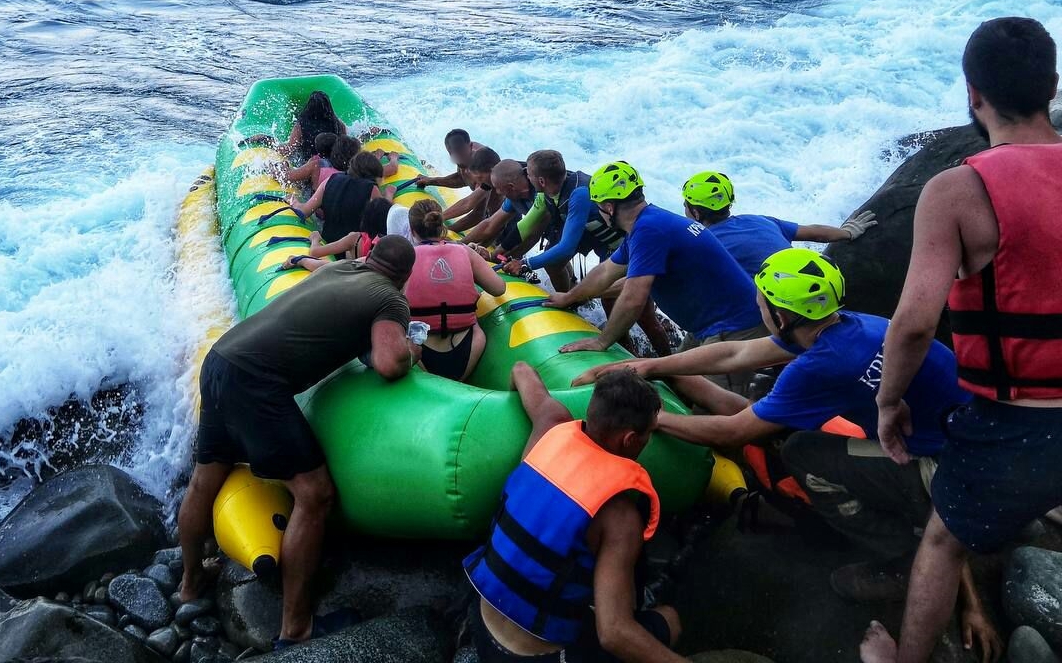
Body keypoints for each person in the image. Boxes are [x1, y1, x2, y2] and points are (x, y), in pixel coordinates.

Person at [572, 248, 996, 648]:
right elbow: (737, 352)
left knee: (803, 453)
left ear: (782, 313)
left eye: (762, 300)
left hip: (952, 466)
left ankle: (898, 552)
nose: (757, 305)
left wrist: (653, 420)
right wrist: (651, 365)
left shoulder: (820, 366)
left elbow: (733, 433)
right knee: (789, 421)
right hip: (977, 433)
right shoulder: (849, 326)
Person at [862, 17, 1062, 663]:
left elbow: (916, 322)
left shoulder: (955, 190)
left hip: (1013, 423)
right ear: (1052, 86)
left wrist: (890, 402)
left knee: (944, 542)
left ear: (973, 95)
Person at [177, 237, 420, 647]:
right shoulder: (390, 299)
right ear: (406, 276)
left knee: (206, 477)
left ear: (369, 256)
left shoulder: (344, 269)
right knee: (315, 494)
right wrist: (412, 347)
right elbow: (389, 363)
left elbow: (320, 273)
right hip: (256, 383)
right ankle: (296, 628)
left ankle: (189, 582)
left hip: (221, 359)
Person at [465, 362, 686, 663]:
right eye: (648, 434)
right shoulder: (620, 517)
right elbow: (614, 634)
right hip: (532, 656)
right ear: (630, 440)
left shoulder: (549, 428)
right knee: (669, 619)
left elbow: (519, 368)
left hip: (481, 616)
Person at [545, 161, 765, 362]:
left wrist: (601, 341)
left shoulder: (649, 230)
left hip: (732, 328)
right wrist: (570, 297)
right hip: (709, 327)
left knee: (710, 404)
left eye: (599, 207)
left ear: (609, 207)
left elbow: (633, 298)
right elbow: (605, 271)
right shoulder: (648, 223)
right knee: (685, 389)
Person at [680, 170, 878, 276]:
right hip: (815, 278)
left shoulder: (705, 243)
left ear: (695, 212)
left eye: (686, 205)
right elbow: (814, 233)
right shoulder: (760, 221)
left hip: (781, 304)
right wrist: (848, 232)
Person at [405, 199, 506, 381]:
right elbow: (499, 288)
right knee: (474, 324)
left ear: (412, 231)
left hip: (418, 350)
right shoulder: (464, 251)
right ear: (442, 226)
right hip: (466, 350)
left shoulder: (404, 256)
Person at [504, 150, 625, 279]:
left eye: (528, 175)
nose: (527, 178)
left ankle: (570, 297)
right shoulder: (551, 192)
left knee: (609, 295)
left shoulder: (579, 195)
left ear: (541, 181)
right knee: (553, 264)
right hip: (603, 245)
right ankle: (571, 297)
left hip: (625, 245)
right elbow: (529, 228)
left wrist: (525, 263)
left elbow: (567, 247)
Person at [290, 150, 395, 245]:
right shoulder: (371, 189)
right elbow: (386, 216)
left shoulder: (330, 180)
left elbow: (304, 211)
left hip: (327, 241)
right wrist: (389, 194)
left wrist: (294, 202)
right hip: (353, 247)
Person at [285, 197, 402, 267]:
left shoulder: (355, 239)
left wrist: (315, 239)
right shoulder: (395, 246)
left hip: (352, 276)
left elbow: (315, 252)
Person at [442, 146, 504, 233]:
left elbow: (476, 213)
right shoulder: (487, 179)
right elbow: (468, 200)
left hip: (504, 224)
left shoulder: (509, 181)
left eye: (480, 178)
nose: (480, 183)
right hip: (493, 217)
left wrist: (446, 230)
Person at [284, 91, 347, 161]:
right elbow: (343, 145)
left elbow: (291, 148)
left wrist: (274, 147)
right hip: (333, 162)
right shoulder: (338, 123)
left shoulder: (300, 125)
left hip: (308, 162)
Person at [414, 128, 487, 190]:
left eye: (460, 151)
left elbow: (471, 201)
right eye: (452, 153)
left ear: (470, 146)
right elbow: (462, 179)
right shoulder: (464, 156)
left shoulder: (482, 165)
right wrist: (430, 181)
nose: (457, 158)